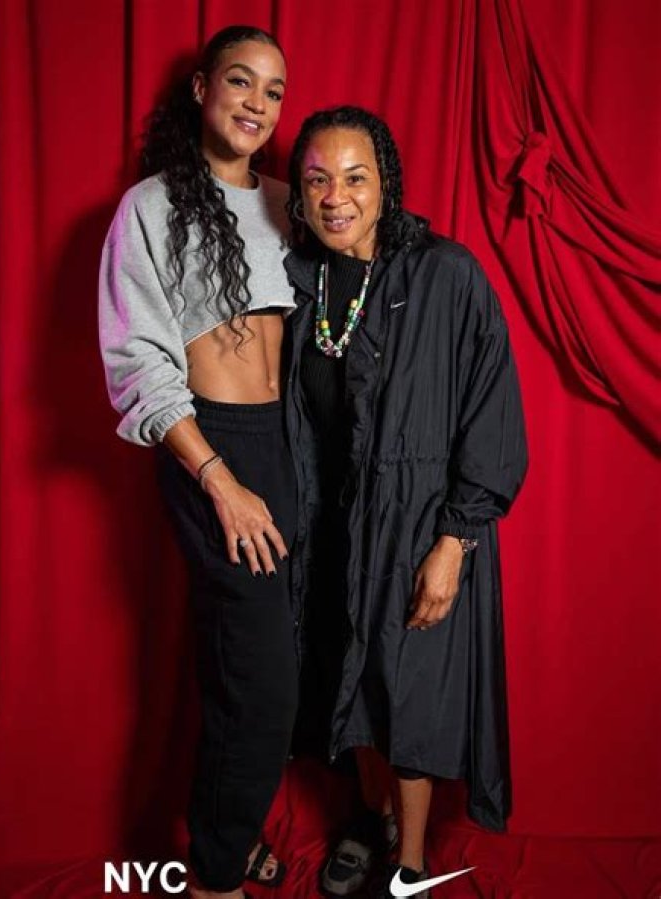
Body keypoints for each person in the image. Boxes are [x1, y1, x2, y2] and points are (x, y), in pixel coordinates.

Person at [284, 107, 528, 897]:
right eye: (318, 179)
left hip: (419, 524)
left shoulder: (445, 274)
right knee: (348, 674)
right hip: (331, 520)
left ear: (385, 184)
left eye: (355, 178)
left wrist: (455, 540)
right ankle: (371, 818)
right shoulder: (300, 280)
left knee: (410, 689)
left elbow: (492, 413)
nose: (336, 197)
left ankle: (412, 861)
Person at [98, 26, 298, 899]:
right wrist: (219, 480)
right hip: (214, 446)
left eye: (274, 91)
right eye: (241, 82)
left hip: (290, 442)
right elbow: (138, 360)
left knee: (265, 669)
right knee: (258, 680)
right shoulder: (150, 208)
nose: (257, 103)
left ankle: (233, 833)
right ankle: (215, 879)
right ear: (201, 87)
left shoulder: (292, 201)